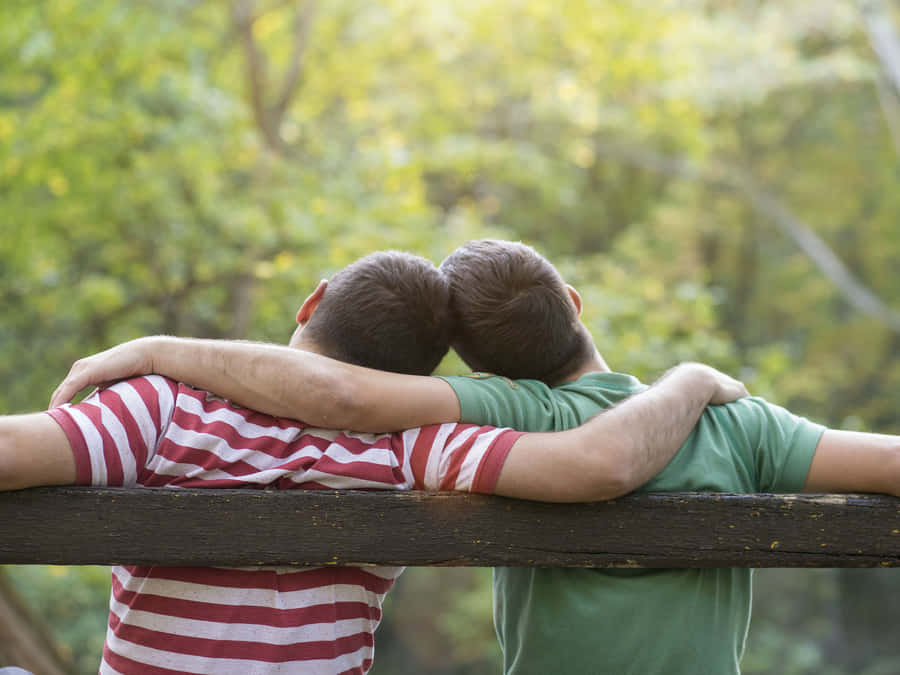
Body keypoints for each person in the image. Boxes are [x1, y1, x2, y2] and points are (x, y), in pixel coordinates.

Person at [53, 240, 900, 674]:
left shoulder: (507, 411)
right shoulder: (741, 425)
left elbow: (341, 395)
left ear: (479, 370)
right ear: (574, 303)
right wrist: (693, 378)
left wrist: (158, 349)